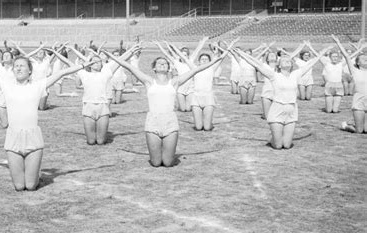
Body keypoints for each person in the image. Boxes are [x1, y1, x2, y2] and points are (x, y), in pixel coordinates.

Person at [0, 51, 96, 191]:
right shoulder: (7, 85)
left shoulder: (37, 86)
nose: (19, 68)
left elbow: (60, 74)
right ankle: (30, 171)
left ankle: (36, 174)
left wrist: (83, 65)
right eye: (16, 66)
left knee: (31, 186)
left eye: (22, 66)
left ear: (30, 70)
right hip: (13, 138)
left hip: (33, 138)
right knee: (20, 187)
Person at [102, 39, 236, 167]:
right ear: (154, 68)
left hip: (170, 122)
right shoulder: (149, 81)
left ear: (168, 68)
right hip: (153, 121)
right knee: (155, 163)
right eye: (159, 63)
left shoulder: (175, 82)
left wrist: (215, 60)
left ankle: (167, 151)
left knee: (167, 163)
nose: (162, 64)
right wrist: (113, 57)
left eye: (165, 63)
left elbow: (196, 70)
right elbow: (129, 67)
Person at [233, 45, 332, 149]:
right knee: (278, 146)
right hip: (277, 110)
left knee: (287, 145)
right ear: (279, 65)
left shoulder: (296, 74)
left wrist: (321, 53)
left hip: (291, 110)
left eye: (289, 60)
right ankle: (273, 139)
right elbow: (257, 65)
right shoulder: (274, 75)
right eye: (284, 60)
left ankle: (278, 137)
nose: (287, 61)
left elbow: (311, 63)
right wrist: (241, 54)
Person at [64, 44, 141, 145]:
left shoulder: (106, 73)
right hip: (88, 107)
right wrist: (57, 53)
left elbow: (120, 61)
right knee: (91, 141)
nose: (96, 63)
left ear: (102, 65)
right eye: (94, 61)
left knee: (100, 142)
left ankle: (100, 132)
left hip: (103, 108)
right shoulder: (84, 74)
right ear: (89, 64)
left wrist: (131, 51)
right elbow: (68, 62)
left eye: (99, 62)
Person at [333, 36, 367, 133]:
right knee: (359, 131)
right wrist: (338, 42)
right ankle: (346, 126)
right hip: (359, 103)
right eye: (363, 58)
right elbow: (347, 57)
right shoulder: (355, 71)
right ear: (358, 63)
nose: (366, 59)